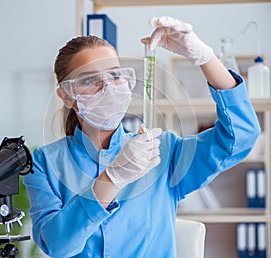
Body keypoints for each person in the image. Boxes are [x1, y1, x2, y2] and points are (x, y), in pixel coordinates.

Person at [24, 16, 260, 258]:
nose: (108, 87)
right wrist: (112, 179)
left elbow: (240, 136)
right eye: (90, 80)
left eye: (115, 75)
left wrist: (205, 58)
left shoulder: (162, 153)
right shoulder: (45, 164)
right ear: (67, 96)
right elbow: (57, 246)